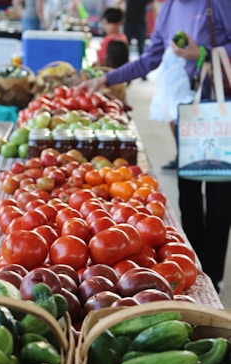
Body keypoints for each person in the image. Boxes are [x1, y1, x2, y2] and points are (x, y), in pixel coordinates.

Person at [75, 0, 231, 294]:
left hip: (222, 110)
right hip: (188, 112)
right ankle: (196, 265)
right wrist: (106, 79)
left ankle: (215, 272)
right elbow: (149, 59)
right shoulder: (170, 7)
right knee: (189, 192)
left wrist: (205, 53)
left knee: (221, 193)